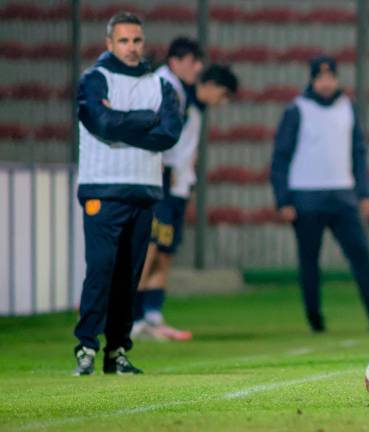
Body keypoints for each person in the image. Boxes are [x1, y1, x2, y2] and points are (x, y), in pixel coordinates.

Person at [73, 11, 182, 375]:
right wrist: (144, 119)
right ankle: (86, 345)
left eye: (136, 40)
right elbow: (100, 123)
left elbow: (169, 133)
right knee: (100, 269)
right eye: (123, 41)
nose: (131, 47)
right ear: (109, 43)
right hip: (102, 188)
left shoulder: (160, 85)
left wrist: (123, 122)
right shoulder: (94, 79)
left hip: (144, 190)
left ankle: (116, 351)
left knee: (128, 278)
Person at [270, 55, 369, 333]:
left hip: (343, 195)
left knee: (361, 256)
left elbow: (358, 153)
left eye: (330, 77)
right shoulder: (297, 109)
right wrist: (283, 199)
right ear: (312, 80)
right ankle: (315, 319)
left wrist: (364, 193)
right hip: (306, 196)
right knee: (309, 261)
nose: (326, 83)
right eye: (320, 78)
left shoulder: (347, 108)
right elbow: (281, 157)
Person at [133, 37, 239, 341]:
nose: (198, 67)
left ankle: (152, 316)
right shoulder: (163, 87)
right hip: (159, 182)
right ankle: (135, 318)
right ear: (177, 61)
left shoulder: (185, 94)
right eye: (193, 61)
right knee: (150, 250)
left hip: (178, 184)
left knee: (164, 251)